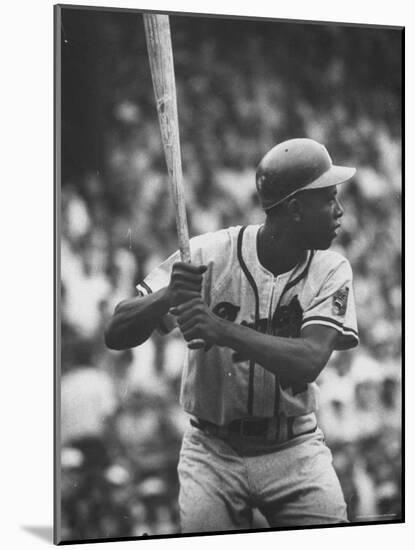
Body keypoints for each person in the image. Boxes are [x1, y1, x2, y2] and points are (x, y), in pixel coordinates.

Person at [105, 138, 359, 532]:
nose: (339, 211)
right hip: (212, 452)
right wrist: (167, 296)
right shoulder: (210, 253)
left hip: (293, 449)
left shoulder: (331, 268)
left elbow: (309, 360)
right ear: (295, 208)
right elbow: (116, 330)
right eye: (328, 199)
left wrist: (220, 329)